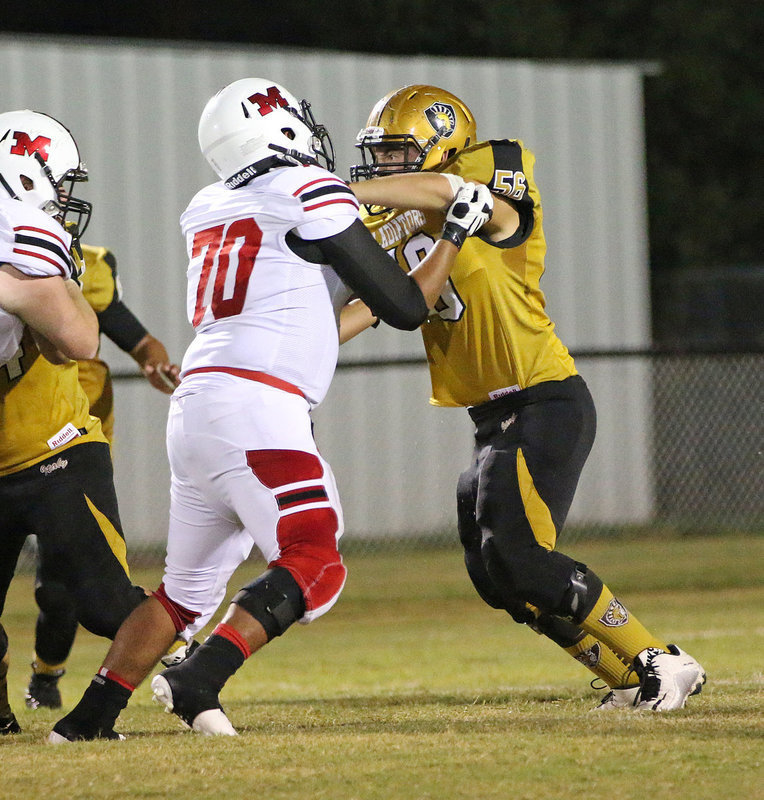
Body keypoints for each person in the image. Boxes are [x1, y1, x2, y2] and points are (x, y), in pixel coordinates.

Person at [49, 77, 492, 742]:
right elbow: (404, 306)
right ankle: (199, 678)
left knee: (184, 594)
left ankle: (86, 721)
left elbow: (309, 285)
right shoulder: (306, 190)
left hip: (200, 404)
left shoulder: (208, 203)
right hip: (257, 404)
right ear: (277, 128)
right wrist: (454, 231)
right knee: (316, 559)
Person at [342, 84, 705, 711]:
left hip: (544, 398)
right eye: (380, 156)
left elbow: (450, 194)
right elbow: (374, 307)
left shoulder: (486, 172)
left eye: (397, 154)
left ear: (441, 142)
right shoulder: (408, 225)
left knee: (522, 552)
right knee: (497, 576)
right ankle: (623, 677)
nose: (383, 168)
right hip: (493, 416)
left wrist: (340, 195)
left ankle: (662, 660)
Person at [0, 109, 148, 734]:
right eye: (58, 185)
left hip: (51, 448)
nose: (63, 204)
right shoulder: (24, 227)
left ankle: (194, 668)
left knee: (103, 601)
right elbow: (77, 336)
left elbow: (77, 341)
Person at [24, 236, 181, 711]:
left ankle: (48, 678)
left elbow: (131, 334)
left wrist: (153, 360)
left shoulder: (87, 265)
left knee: (66, 585)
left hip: (69, 450)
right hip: (17, 445)